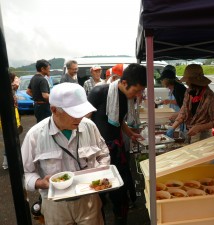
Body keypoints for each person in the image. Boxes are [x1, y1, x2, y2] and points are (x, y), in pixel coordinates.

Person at [21, 82, 110, 225]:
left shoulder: (89, 126)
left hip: (89, 200)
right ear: (54, 109)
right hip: (55, 205)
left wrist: (101, 171)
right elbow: (25, 173)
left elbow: (103, 153)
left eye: (81, 112)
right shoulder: (35, 135)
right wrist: (40, 183)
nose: (80, 118)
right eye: (74, 113)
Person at [88, 63, 147, 225]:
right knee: (98, 192)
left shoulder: (124, 97)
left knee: (120, 191)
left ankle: (121, 219)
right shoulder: (99, 92)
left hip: (117, 149)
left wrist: (130, 134)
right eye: (136, 90)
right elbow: (84, 122)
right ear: (124, 82)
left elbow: (118, 120)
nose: (138, 94)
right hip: (97, 152)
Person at [165, 64, 214, 143]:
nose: (187, 83)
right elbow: (183, 112)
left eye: (188, 81)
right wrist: (173, 127)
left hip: (203, 137)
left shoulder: (210, 97)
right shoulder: (189, 92)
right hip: (189, 133)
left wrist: (199, 127)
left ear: (196, 82)